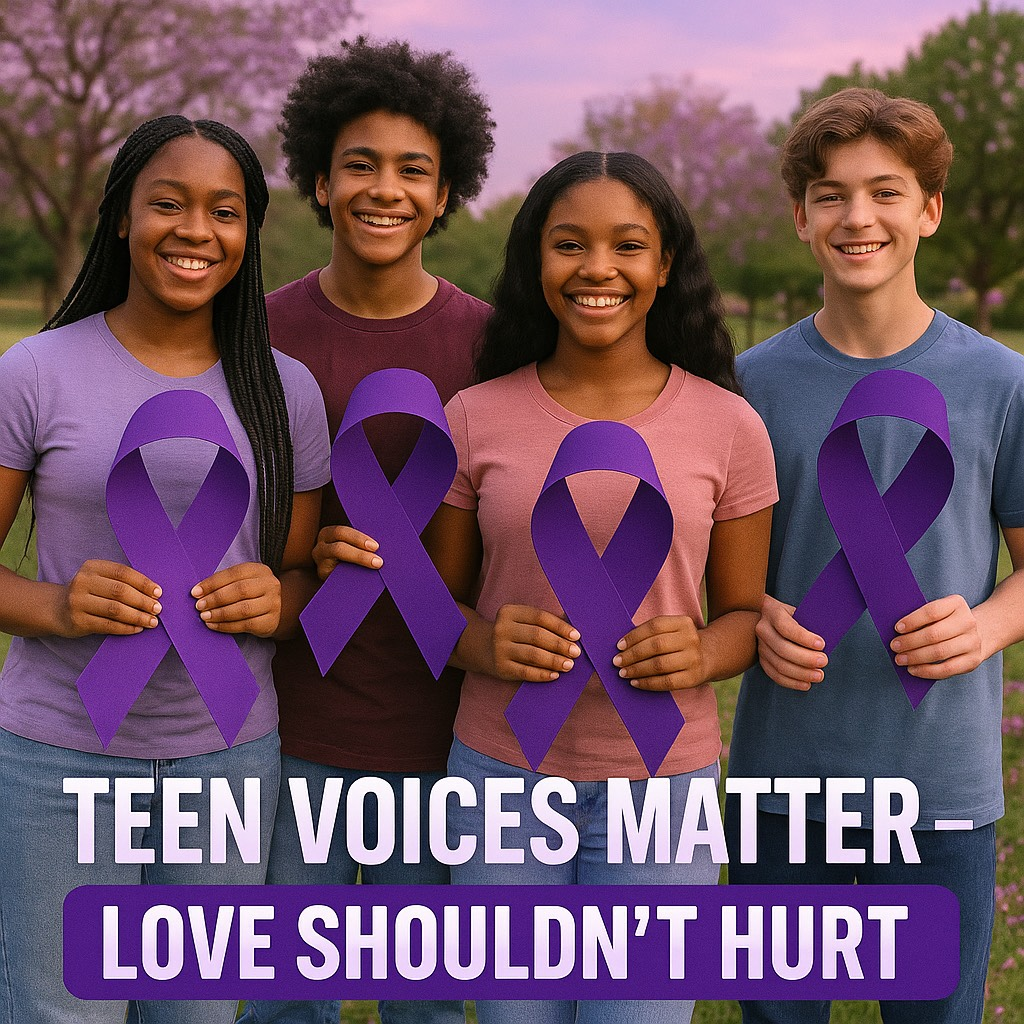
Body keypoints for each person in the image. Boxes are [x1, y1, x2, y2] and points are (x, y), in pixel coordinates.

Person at [423, 150, 778, 1024]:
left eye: (628, 246)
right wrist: (481, 640)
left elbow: (743, 617)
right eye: (568, 244)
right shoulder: (474, 415)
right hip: (503, 780)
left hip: (662, 785)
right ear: (535, 262)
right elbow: (434, 610)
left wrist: (700, 649)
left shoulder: (729, 425)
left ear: (664, 266)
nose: (597, 270)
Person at [0, 115, 329, 1024]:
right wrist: (58, 604)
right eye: (168, 204)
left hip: (226, 758)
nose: (196, 231)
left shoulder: (284, 388)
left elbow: (302, 581)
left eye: (225, 211)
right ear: (120, 219)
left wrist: (278, 595)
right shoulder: (35, 371)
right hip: (61, 758)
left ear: (248, 235)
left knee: (197, 1012)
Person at [725, 87, 1024, 1024]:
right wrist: (755, 615)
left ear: (928, 211)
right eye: (831, 194)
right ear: (802, 219)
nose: (859, 217)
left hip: (939, 783)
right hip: (783, 782)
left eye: (886, 192)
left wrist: (984, 626)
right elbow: (714, 569)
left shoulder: (1001, 382)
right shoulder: (749, 385)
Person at [238, 38, 494, 1024]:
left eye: (412, 170)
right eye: (360, 164)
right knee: (277, 1003)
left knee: (423, 1004)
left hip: (439, 731)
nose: (384, 189)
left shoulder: (490, 343)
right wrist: (298, 558)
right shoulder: (253, 336)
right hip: (284, 723)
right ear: (317, 178)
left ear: (444, 195)